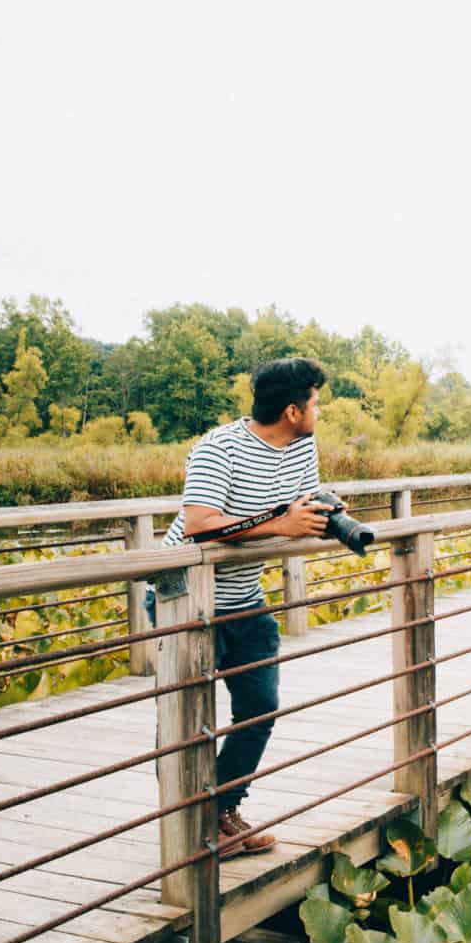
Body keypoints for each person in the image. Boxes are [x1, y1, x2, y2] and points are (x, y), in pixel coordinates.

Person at [160, 357, 334, 857]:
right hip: (185, 598)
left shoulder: (302, 447)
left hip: (244, 597)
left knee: (259, 706)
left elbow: (300, 505)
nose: (319, 410)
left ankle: (222, 811)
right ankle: (185, 826)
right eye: (315, 402)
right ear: (293, 411)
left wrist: (323, 517)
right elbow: (199, 523)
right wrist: (279, 524)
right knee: (185, 720)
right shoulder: (219, 448)